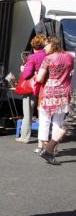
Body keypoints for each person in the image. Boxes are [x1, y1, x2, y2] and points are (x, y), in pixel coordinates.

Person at [36, 36, 74, 164]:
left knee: (44, 119)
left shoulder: (48, 59)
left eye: (46, 45)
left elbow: (40, 78)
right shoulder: (70, 57)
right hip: (64, 93)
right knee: (59, 121)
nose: (44, 48)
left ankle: (42, 146)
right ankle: (54, 148)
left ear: (53, 45)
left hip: (49, 92)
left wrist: (36, 76)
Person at [16, 35, 47, 144]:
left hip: (32, 87)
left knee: (28, 113)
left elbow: (26, 74)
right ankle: (44, 139)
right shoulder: (47, 55)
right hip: (44, 87)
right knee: (44, 114)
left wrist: (22, 69)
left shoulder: (33, 57)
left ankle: (25, 136)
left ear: (33, 44)